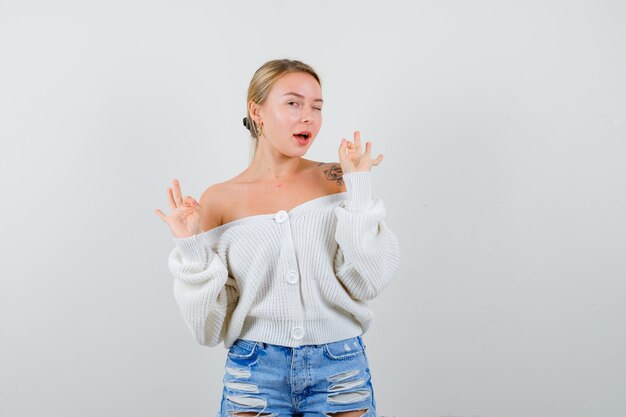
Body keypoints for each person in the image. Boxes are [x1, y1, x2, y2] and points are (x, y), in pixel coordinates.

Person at [155, 59, 400, 417]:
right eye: (293, 103)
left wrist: (359, 190)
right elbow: (207, 329)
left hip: (339, 367)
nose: (309, 117)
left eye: (317, 107)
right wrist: (192, 250)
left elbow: (369, 280)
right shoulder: (219, 199)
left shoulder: (337, 178)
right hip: (254, 372)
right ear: (257, 111)